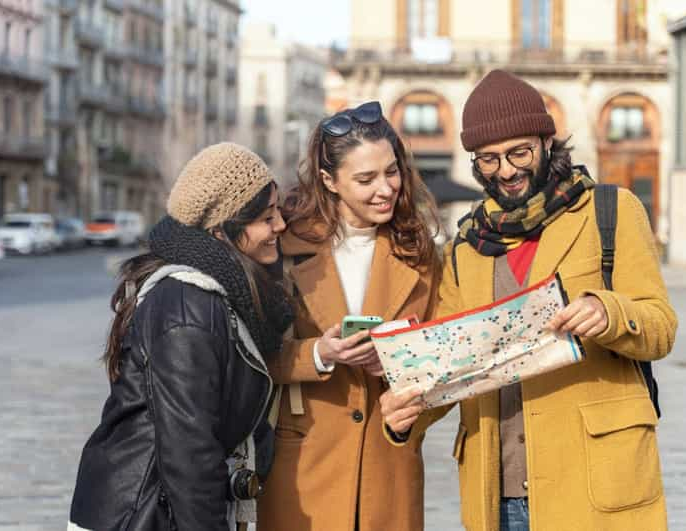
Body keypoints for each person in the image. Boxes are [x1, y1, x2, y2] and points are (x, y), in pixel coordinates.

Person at [381, 70, 677, 531]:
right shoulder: (465, 246)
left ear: (545, 141)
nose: (506, 170)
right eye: (488, 159)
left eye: (519, 152)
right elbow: (451, 366)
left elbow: (660, 326)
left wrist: (609, 312)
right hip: (495, 492)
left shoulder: (610, 211)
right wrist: (406, 414)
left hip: (596, 481)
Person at [68, 143, 294, 531]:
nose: (280, 227)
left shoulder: (226, 292)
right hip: (140, 515)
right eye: (266, 217)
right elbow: (189, 454)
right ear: (223, 229)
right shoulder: (188, 304)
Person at [256, 101, 442, 531]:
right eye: (366, 179)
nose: (386, 189)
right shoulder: (280, 251)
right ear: (329, 180)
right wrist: (319, 353)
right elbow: (248, 357)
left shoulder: (421, 253)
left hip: (389, 465)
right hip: (303, 467)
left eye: (392, 172)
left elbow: (442, 358)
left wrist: (402, 365)